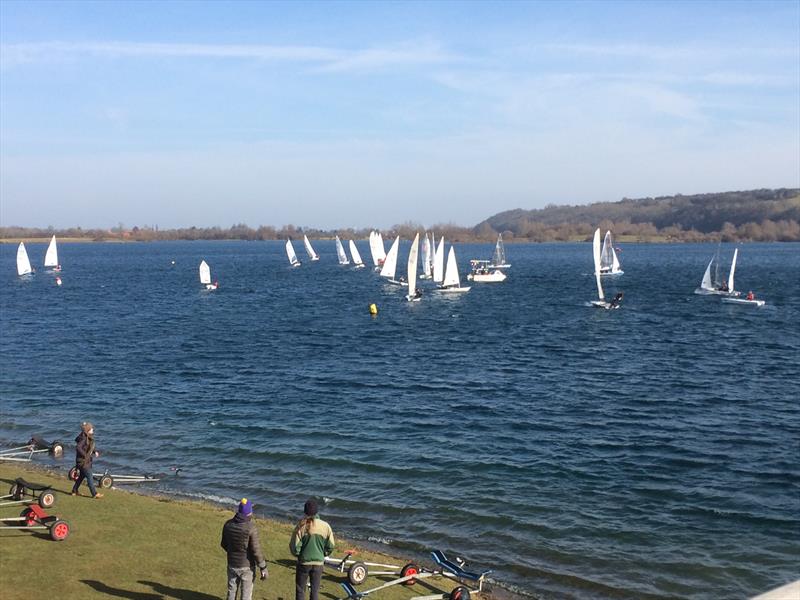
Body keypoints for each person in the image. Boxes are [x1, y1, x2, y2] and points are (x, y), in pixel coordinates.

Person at [221, 498, 268, 600]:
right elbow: (256, 550)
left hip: (232, 564)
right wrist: (263, 567)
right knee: (246, 595)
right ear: (249, 513)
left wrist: (233, 552)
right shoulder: (251, 528)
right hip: (247, 567)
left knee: (231, 592)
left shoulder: (228, 524)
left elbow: (224, 544)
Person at [290, 499, 335, 600]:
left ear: (305, 512)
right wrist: (323, 553)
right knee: (315, 591)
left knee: (300, 590)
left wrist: (299, 555)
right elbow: (331, 546)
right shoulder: (326, 526)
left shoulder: (301, 526)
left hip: (304, 562)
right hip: (318, 563)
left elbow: (295, 548)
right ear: (317, 511)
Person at [71, 422, 103, 498]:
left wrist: (95, 451)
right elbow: (78, 447)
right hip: (84, 462)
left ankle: (74, 491)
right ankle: (94, 494)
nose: (93, 430)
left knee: (81, 476)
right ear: (88, 430)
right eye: (91, 429)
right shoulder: (84, 438)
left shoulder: (86, 437)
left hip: (81, 462)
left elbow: (89, 446)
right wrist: (85, 455)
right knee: (90, 478)